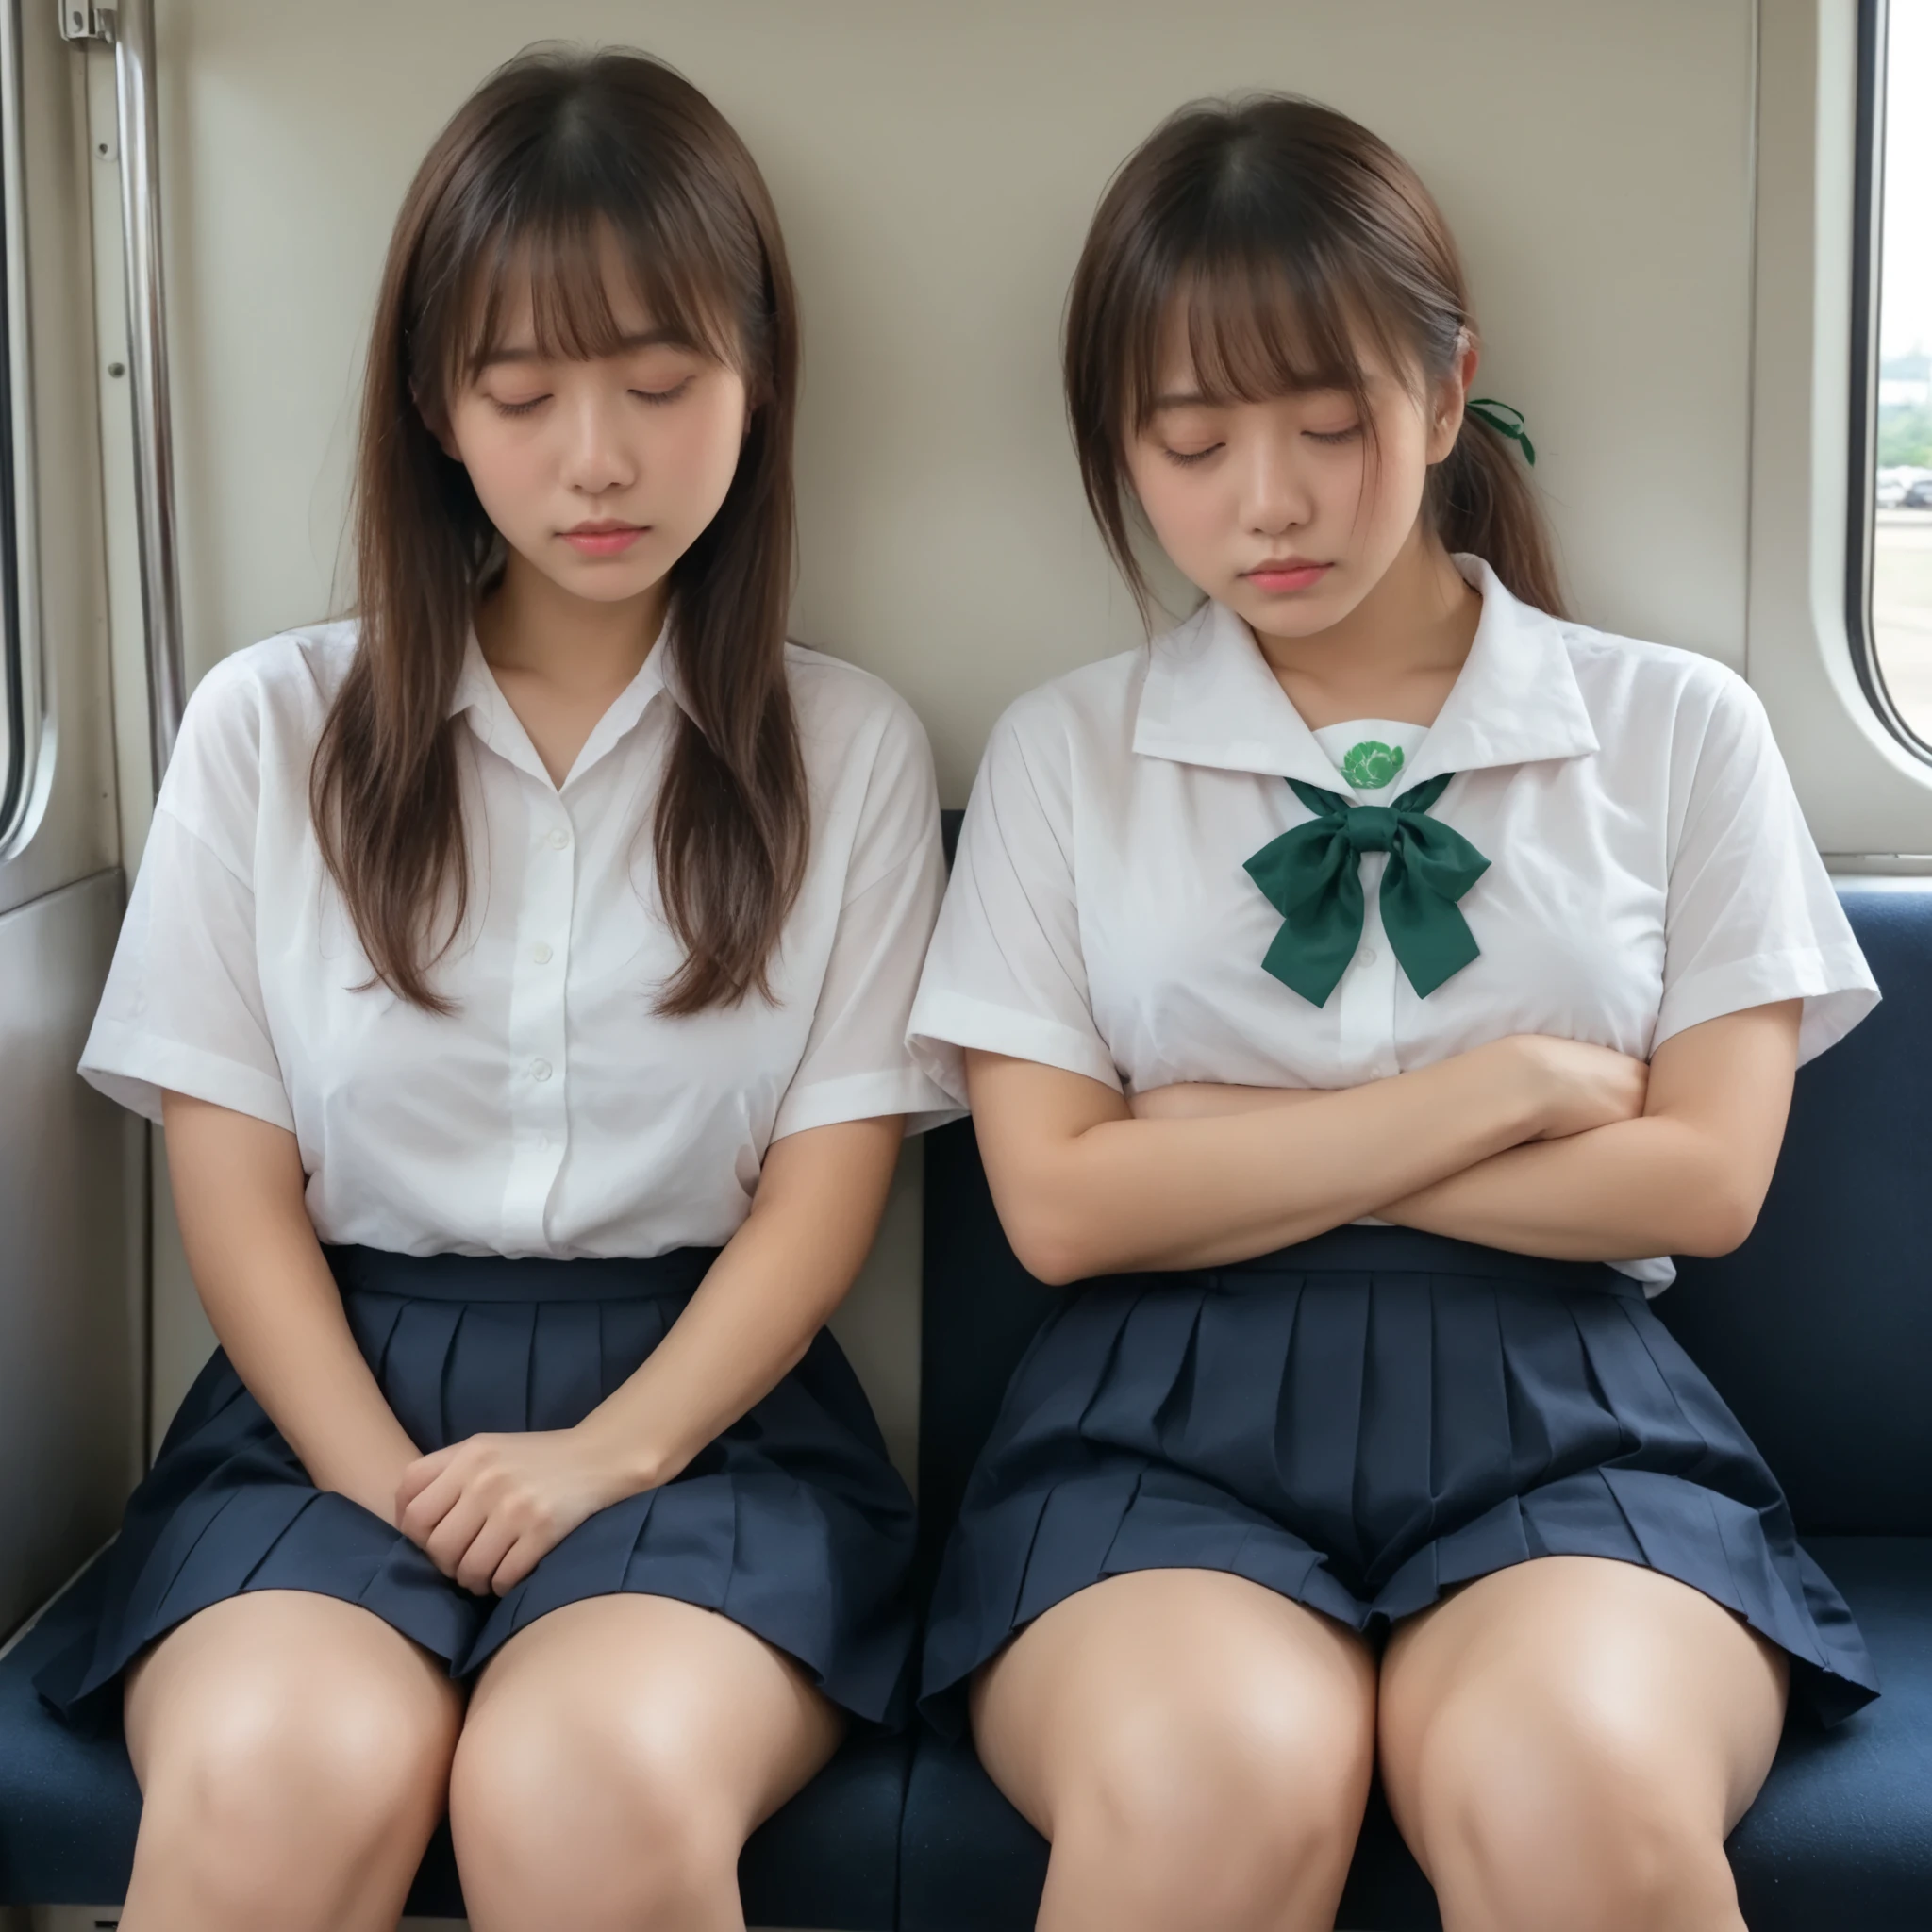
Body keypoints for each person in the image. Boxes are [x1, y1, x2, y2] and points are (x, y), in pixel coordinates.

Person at [909, 93, 1879, 1932]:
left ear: (1447, 396)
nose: (1262, 502)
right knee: (1207, 1793)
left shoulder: (1675, 729)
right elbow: (1058, 1212)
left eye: (1329, 425)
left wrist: (1207, 1141)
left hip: (1569, 1407)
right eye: (1187, 442)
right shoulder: (1066, 753)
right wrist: (1502, 1088)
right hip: (1148, 1419)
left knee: (1576, 1797)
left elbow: (1697, 1186)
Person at [38, 46, 950, 1932]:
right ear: (437, 406)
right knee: (275, 1783)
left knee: (587, 1789)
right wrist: (386, 1478)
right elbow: (230, 1184)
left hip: (709, 1411)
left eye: (658, 382)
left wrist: (610, 1453)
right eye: (523, 393)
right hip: (323, 1399)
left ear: (758, 377)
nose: (594, 457)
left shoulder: (841, 747)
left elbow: (824, 1197)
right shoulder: (270, 728)